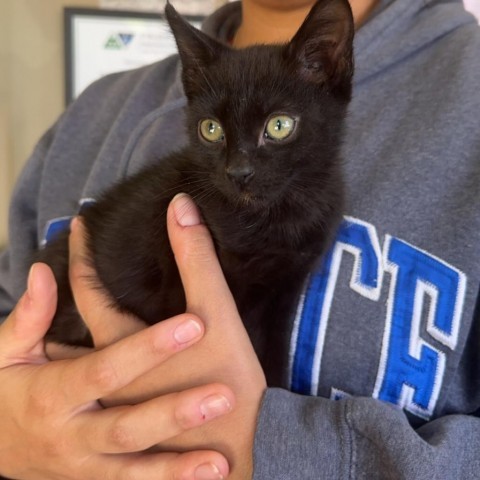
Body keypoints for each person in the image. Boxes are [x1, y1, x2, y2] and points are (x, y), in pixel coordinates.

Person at [0, 0, 479, 478]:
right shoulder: (94, 111)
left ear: (330, 66)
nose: (239, 167)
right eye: (213, 131)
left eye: (278, 127)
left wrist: (268, 443)